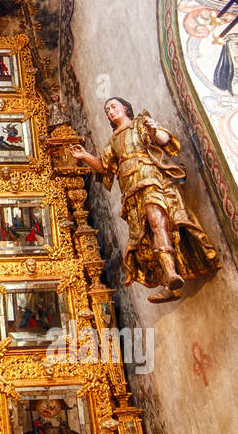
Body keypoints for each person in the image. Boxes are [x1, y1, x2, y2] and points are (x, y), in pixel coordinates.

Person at [71, 97, 219, 302]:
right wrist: (85, 156)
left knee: (156, 220)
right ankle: (170, 280)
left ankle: (170, 275)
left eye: (113, 107)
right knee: (146, 235)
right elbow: (105, 168)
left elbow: (165, 141)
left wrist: (153, 130)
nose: (110, 112)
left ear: (125, 108)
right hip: (130, 191)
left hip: (149, 178)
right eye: (106, 110)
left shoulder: (140, 123)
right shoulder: (113, 141)